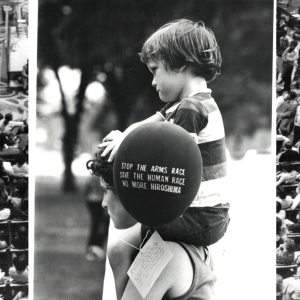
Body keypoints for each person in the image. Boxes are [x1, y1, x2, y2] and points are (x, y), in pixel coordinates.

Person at [98, 18, 229, 298]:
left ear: (180, 64)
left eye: (156, 71)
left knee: (146, 226)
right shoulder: (181, 105)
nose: (154, 82)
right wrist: (124, 136)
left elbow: (171, 163)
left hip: (201, 217)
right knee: (119, 249)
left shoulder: (192, 108)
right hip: (196, 216)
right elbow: (149, 124)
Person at [86, 150, 216, 300]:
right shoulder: (191, 245)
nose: (103, 203)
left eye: (105, 191)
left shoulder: (161, 253)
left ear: (129, 192)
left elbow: (118, 249)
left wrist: (118, 250)